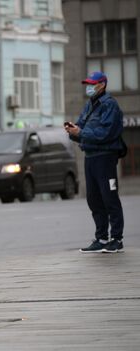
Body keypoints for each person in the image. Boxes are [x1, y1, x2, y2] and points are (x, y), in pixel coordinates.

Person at [64, 71, 125, 253]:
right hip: (90, 157)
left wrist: (81, 133)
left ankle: (116, 239)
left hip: (105, 158)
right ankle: (101, 238)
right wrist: (73, 131)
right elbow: (82, 128)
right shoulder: (90, 105)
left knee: (109, 197)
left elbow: (105, 134)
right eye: (88, 84)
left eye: (92, 84)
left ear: (102, 85)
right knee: (94, 199)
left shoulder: (109, 105)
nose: (89, 87)